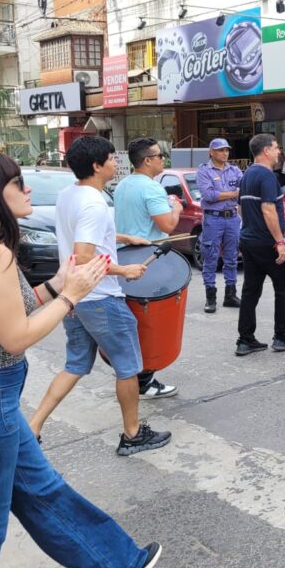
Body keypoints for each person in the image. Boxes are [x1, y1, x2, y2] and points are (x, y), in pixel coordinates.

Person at [0, 152, 162, 568]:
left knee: (41, 490)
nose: (28, 188)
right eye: (18, 182)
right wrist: (71, 297)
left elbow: (11, 309)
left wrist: (56, 284)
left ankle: (113, 567)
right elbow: (15, 336)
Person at [29, 136, 173, 454]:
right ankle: (132, 434)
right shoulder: (94, 203)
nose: (115, 163)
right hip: (101, 299)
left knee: (75, 365)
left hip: (75, 298)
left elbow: (83, 234)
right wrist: (124, 271)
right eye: (111, 158)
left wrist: (122, 237)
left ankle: (33, 427)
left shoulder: (69, 194)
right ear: (97, 166)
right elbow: (84, 257)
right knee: (128, 368)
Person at [112, 137, 181, 400]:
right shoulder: (152, 188)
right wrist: (176, 208)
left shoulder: (123, 185)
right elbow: (167, 226)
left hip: (125, 257)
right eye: (160, 155)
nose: (163, 159)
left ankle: (135, 376)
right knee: (151, 320)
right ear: (148, 160)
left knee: (135, 319)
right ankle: (145, 380)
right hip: (149, 260)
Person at [236, 134, 285, 355]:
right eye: (276, 148)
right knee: (284, 288)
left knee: (250, 291)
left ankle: (245, 340)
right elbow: (268, 210)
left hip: (249, 241)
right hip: (267, 243)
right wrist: (279, 241)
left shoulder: (247, 174)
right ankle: (282, 336)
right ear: (266, 150)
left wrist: (250, 228)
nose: (279, 152)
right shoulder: (267, 176)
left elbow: (240, 208)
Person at [196, 137, 243, 313]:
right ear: (211, 152)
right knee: (211, 257)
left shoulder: (235, 170)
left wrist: (225, 194)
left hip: (232, 218)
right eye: (221, 150)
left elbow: (243, 190)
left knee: (232, 257)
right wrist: (233, 193)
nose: (225, 153)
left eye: (227, 150)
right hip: (213, 219)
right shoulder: (204, 171)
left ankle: (230, 295)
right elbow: (209, 195)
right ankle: (211, 298)